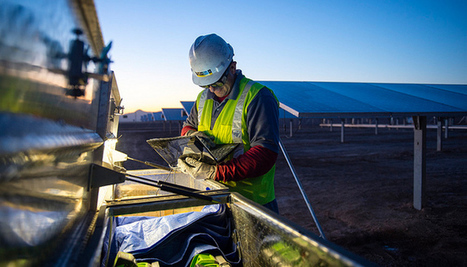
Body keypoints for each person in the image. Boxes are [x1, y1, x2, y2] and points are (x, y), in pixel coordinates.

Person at [178, 33, 280, 213]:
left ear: (232, 68)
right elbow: (188, 126)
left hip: (252, 203)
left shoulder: (258, 97)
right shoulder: (203, 98)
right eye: (205, 84)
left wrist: (215, 172)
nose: (211, 89)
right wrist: (190, 135)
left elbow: (265, 155)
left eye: (216, 83)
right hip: (213, 196)